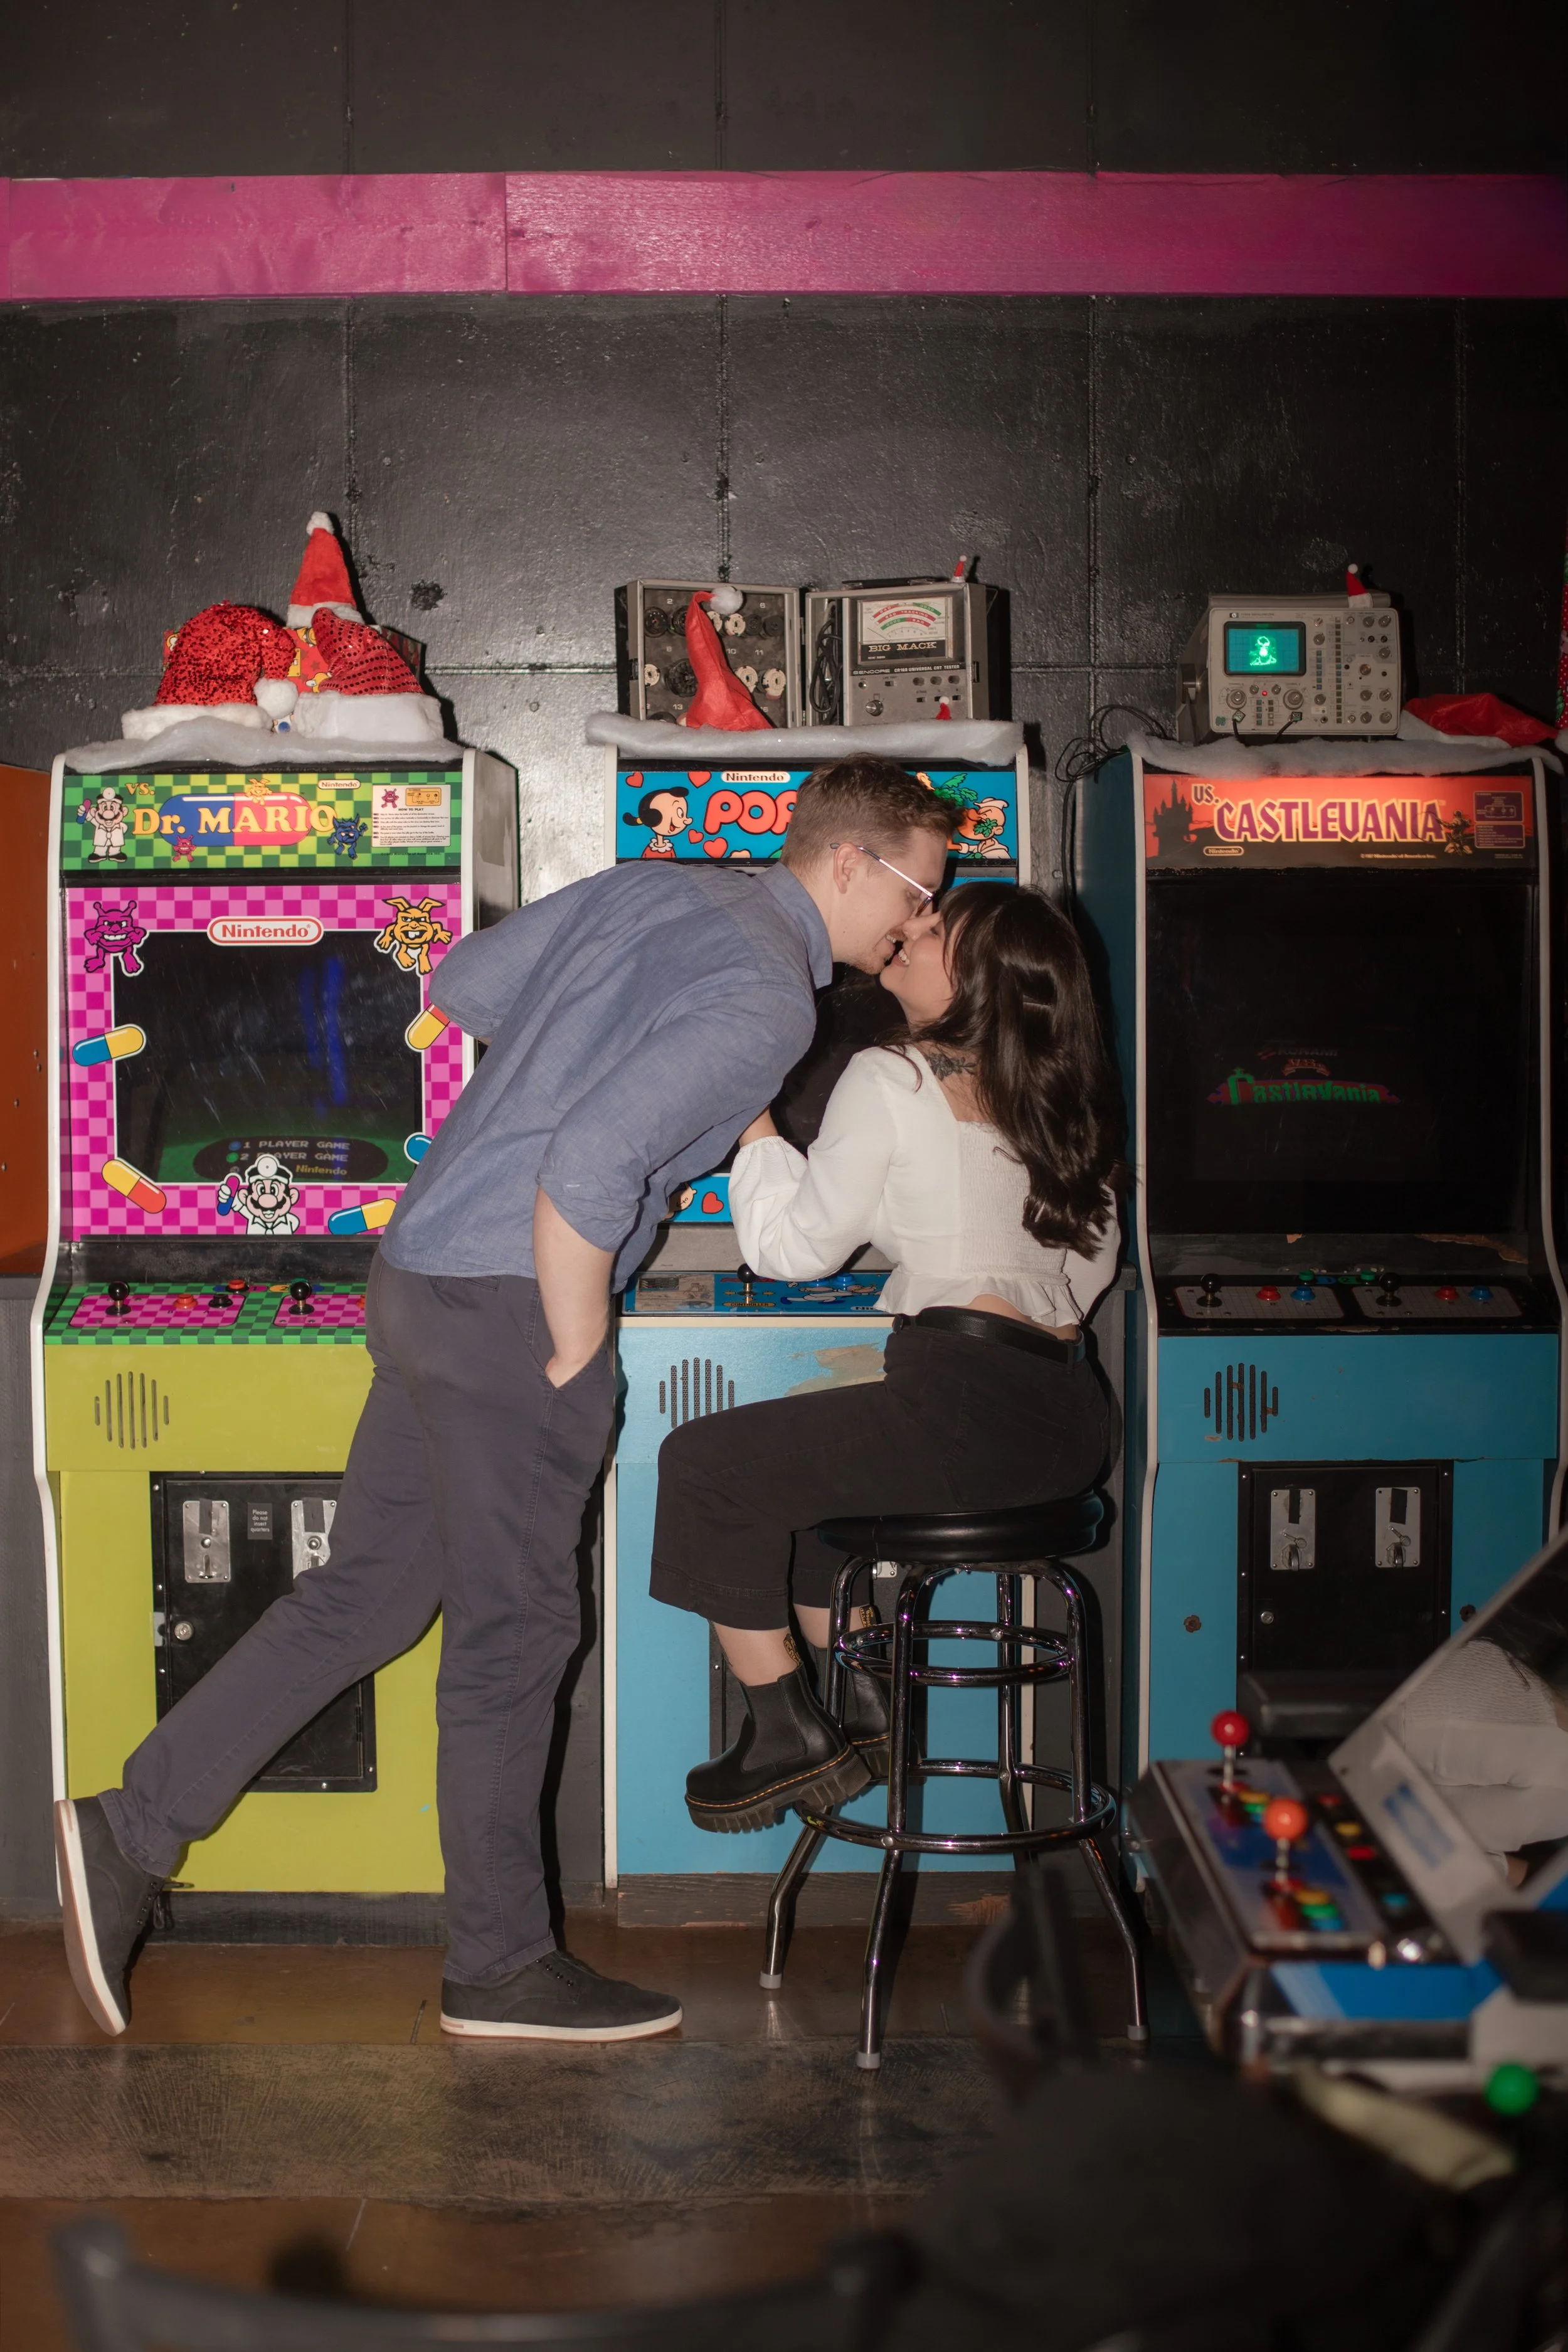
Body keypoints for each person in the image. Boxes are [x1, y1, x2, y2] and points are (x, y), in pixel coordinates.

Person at [54, 757, 955, 2043]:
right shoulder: (768, 994)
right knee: (511, 1640)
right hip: (513, 1307)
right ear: (853, 862)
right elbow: (591, 1162)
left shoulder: (662, 888)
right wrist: (578, 1342)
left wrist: (578, 1039)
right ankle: (498, 1965)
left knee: (366, 1595)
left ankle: (127, 1831)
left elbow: (463, 983)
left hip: (420, 1267)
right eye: (920, 889)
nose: (919, 922)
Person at [650, 882, 1125, 1832]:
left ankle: (784, 1732)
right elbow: (1081, 1269)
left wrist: (755, 1130)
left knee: (704, 1468)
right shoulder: (1069, 1101)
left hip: (966, 1407)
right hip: (1071, 1417)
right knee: (819, 1501)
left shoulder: (895, 1076)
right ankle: (864, 1705)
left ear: (984, 973)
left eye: (936, 929)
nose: (907, 931)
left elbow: (788, 1253)